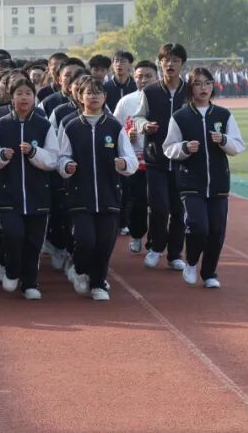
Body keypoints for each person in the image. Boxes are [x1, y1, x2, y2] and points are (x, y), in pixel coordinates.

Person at [163, 67, 245, 289]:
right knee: (198, 226)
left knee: (217, 231)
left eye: (207, 83)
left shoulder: (223, 115)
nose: (203, 88)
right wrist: (184, 148)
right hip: (191, 182)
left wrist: (224, 140)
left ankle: (209, 272)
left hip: (218, 183)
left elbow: (238, 146)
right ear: (191, 88)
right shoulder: (180, 117)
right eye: (198, 84)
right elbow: (168, 148)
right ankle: (191, 262)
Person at [58, 75, 138, 301]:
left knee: (104, 243)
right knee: (85, 239)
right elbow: (61, 157)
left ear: (105, 97)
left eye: (97, 92)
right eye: (88, 93)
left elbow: (130, 159)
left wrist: (124, 164)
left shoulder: (114, 126)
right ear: (80, 97)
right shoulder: (71, 126)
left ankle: (98, 283)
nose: (93, 97)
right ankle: (80, 268)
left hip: (109, 194)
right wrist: (66, 166)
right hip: (79, 195)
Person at [0, 76, 60, 300]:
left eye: (28, 93)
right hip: (8, 194)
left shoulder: (44, 125)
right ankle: (12, 269)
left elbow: (53, 160)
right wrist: (2, 156)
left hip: (38, 194)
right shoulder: (1, 124)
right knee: (13, 235)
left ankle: (30, 283)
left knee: (34, 242)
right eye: (19, 93)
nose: (24, 98)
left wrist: (34, 153)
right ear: (11, 98)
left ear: (34, 97)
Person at [133, 43, 190, 271]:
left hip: (183, 160)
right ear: (160, 63)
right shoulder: (150, 91)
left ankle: (175, 254)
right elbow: (138, 117)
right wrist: (144, 125)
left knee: (179, 210)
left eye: (175, 60)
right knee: (159, 207)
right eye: (166, 60)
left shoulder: (190, 91)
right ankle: (156, 247)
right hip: (155, 158)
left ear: (182, 64)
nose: (170, 64)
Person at [112, 60, 159, 251]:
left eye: (148, 76)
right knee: (138, 201)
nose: (144, 80)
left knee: (159, 204)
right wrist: (126, 134)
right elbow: (114, 128)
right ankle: (137, 234)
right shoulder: (126, 102)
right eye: (139, 77)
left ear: (157, 77)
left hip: (160, 159)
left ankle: (155, 242)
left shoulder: (163, 99)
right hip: (136, 160)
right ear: (134, 78)